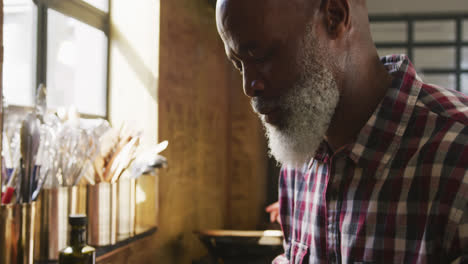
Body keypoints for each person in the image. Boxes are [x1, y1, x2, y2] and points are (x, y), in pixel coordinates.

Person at [215, 0, 468, 263]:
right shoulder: (300, 154)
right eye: (238, 64)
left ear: (334, 16)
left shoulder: (459, 154)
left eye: (262, 55)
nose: (248, 86)